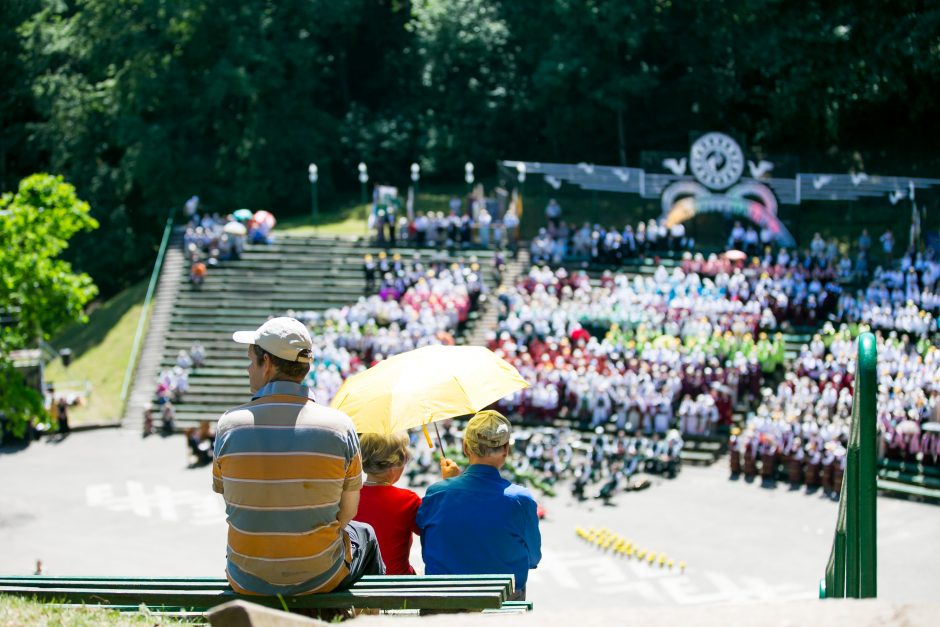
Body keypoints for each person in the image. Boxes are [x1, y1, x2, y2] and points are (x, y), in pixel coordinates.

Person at [213, 317, 384, 596]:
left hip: (247, 578)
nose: (247, 368)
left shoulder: (229, 425)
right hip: (320, 577)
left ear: (266, 363)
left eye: (250, 360)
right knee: (364, 533)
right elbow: (347, 513)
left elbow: (233, 500)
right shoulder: (340, 427)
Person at [416, 410, 541, 601]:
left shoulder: (437, 493)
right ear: (506, 449)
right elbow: (533, 558)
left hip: (444, 602)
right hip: (500, 604)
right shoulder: (521, 499)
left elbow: (430, 544)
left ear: (466, 447)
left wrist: (449, 485)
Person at [354, 432, 423, 575]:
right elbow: (433, 532)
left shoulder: (348, 497)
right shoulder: (407, 500)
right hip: (397, 585)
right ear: (395, 464)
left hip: (356, 583)